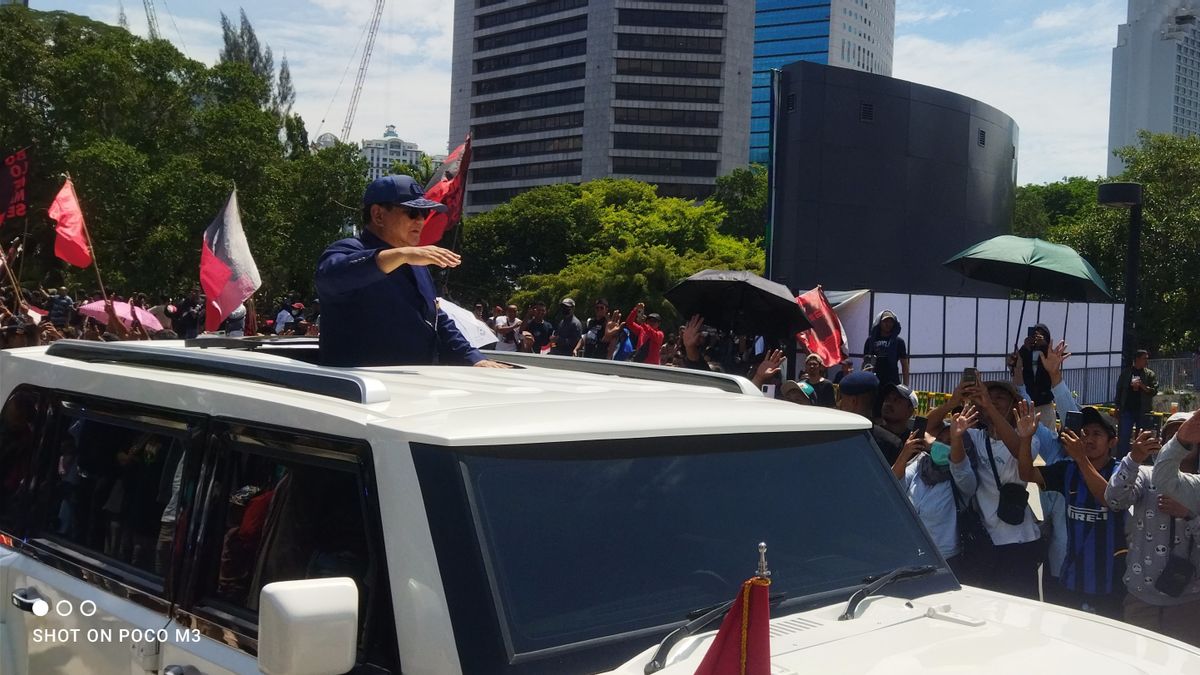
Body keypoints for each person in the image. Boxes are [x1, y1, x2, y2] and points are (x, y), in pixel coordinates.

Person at [314, 175, 505, 369]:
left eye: (425, 213)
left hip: (414, 387)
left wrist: (474, 359)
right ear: (378, 215)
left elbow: (438, 321)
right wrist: (402, 254)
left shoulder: (417, 264)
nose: (421, 221)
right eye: (413, 213)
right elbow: (330, 278)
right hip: (358, 391)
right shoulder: (349, 249)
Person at [1018, 404, 1125, 618]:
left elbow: (1108, 498)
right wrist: (1025, 438)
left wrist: (1081, 459)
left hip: (1109, 582)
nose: (1089, 439)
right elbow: (1026, 473)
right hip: (1071, 578)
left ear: (1112, 442)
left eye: (1097, 434)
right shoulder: (1068, 470)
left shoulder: (1121, 471)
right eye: (1085, 433)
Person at [1106, 413, 1200, 644]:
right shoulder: (1145, 475)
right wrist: (1133, 459)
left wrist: (1189, 514)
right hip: (1141, 596)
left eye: (1188, 435)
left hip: (1186, 600)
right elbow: (1115, 499)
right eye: (1172, 437)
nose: (1180, 442)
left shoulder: (1197, 484)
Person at [955, 380, 1043, 598]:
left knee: (1021, 611)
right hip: (985, 541)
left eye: (1000, 398)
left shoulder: (1027, 437)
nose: (993, 401)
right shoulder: (975, 437)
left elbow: (1019, 456)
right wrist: (957, 400)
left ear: (1013, 403)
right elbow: (932, 432)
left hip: (1019, 540)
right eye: (989, 396)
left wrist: (990, 409)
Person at [893, 405, 979, 571]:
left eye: (950, 442)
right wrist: (905, 453)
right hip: (908, 553)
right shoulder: (921, 463)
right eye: (941, 440)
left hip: (944, 559)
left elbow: (960, 467)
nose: (943, 445)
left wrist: (957, 438)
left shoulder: (962, 481)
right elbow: (895, 484)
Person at [1115, 349, 1158, 455]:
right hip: (1127, 410)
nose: (1146, 361)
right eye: (1144, 358)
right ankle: (1122, 459)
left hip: (1143, 411)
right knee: (1124, 436)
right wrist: (1117, 406)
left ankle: (1140, 459)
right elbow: (1119, 390)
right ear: (1137, 359)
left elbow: (1153, 391)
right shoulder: (1126, 373)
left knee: (1142, 438)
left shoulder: (1149, 375)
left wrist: (1142, 386)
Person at [1013, 324, 1055, 429]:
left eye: (1041, 335)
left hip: (1045, 402)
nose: (1037, 338)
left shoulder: (1048, 353)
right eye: (1034, 335)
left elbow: (1053, 368)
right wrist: (1026, 346)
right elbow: (1017, 364)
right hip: (1028, 401)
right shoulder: (1026, 351)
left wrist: (1044, 345)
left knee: (1048, 431)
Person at [863, 310, 909, 387]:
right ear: (879, 323)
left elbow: (904, 364)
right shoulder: (871, 341)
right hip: (874, 381)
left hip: (893, 381)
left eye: (891, 322)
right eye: (885, 321)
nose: (888, 324)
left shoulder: (899, 342)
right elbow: (866, 363)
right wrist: (864, 381)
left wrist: (905, 386)